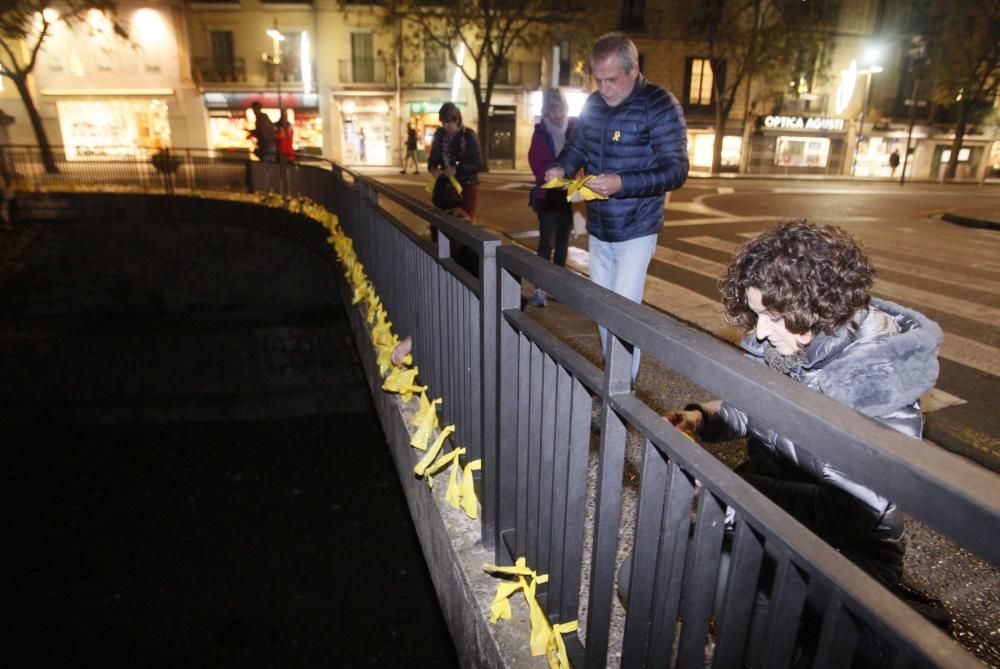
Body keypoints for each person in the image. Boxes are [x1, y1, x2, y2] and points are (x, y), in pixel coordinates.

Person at [666, 220, 945, 663]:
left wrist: (727, 486)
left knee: (748, 604)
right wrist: (700, 417)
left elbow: (847, 514)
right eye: (757, 313)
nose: (759, 332)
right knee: (648, 575)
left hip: (845, 550)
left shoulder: (875, 380)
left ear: (818, 306)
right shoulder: (790, 346)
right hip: (769, 517)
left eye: (772, 316)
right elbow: (749, 410)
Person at [545, 32, 688, 382]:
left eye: (612, 79)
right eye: (598, 79)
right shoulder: (593, 105)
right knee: (603, 311)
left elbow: (677, 170)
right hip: (600, 227)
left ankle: (619, 388)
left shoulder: (660, 104)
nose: (604, 88)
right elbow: (577, 147)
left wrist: (622, 183)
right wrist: (561, 167)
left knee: (622, 313)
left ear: (634, 69)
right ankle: (615, 378)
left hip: (637, 228)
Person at [528, 88, 577, 307]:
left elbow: (581, 157)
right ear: (546, 112)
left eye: (560, 110)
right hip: (548, 195)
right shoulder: (541, 132)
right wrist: (550, 174)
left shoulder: (573, 129)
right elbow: (535, 160)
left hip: (568, 195)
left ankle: (557, 285)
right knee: (546, 243)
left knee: (563, 243)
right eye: (552, 111)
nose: (557, 115)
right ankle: (540, 287)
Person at [428, 102, 482, 220]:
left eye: (448, 122)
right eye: (443, 122)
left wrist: (457, 169)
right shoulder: (440, 135)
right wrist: (433, 168)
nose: (445, 126)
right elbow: (433, 158)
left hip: (466, 185)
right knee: (442, 223)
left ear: (457, 120)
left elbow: (478, 163)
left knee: (463, 223)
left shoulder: (469, 135)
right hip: (445, 186)